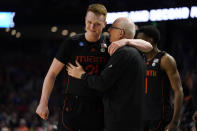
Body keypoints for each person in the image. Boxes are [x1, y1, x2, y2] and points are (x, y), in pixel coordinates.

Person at [36, 3, 152, 131]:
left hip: (98, 107)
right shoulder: (71, 43)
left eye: (97, 24)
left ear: (104, 24)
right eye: (89, 21)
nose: (92, 26)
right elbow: (52, 73)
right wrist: (43, 103)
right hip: (72, 105)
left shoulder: (111, 42)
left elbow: (148, 46)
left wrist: (127, 41)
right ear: (85, 20)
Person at [67, 17, 146, 131]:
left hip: (120, 121)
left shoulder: (123, 53)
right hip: (134, 119)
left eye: (112, 28)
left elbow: (102, 84)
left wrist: (82, 75)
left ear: (121, 33)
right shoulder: (137, 52)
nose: (109, 30)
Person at [135, 25, 184, 131]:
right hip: (142, 116)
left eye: (139, 40)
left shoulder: (166, 60)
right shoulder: (139, 58)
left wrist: (175, 122)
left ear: (150, 40)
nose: (137, 43)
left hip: (160, 117)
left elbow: (178, 91)